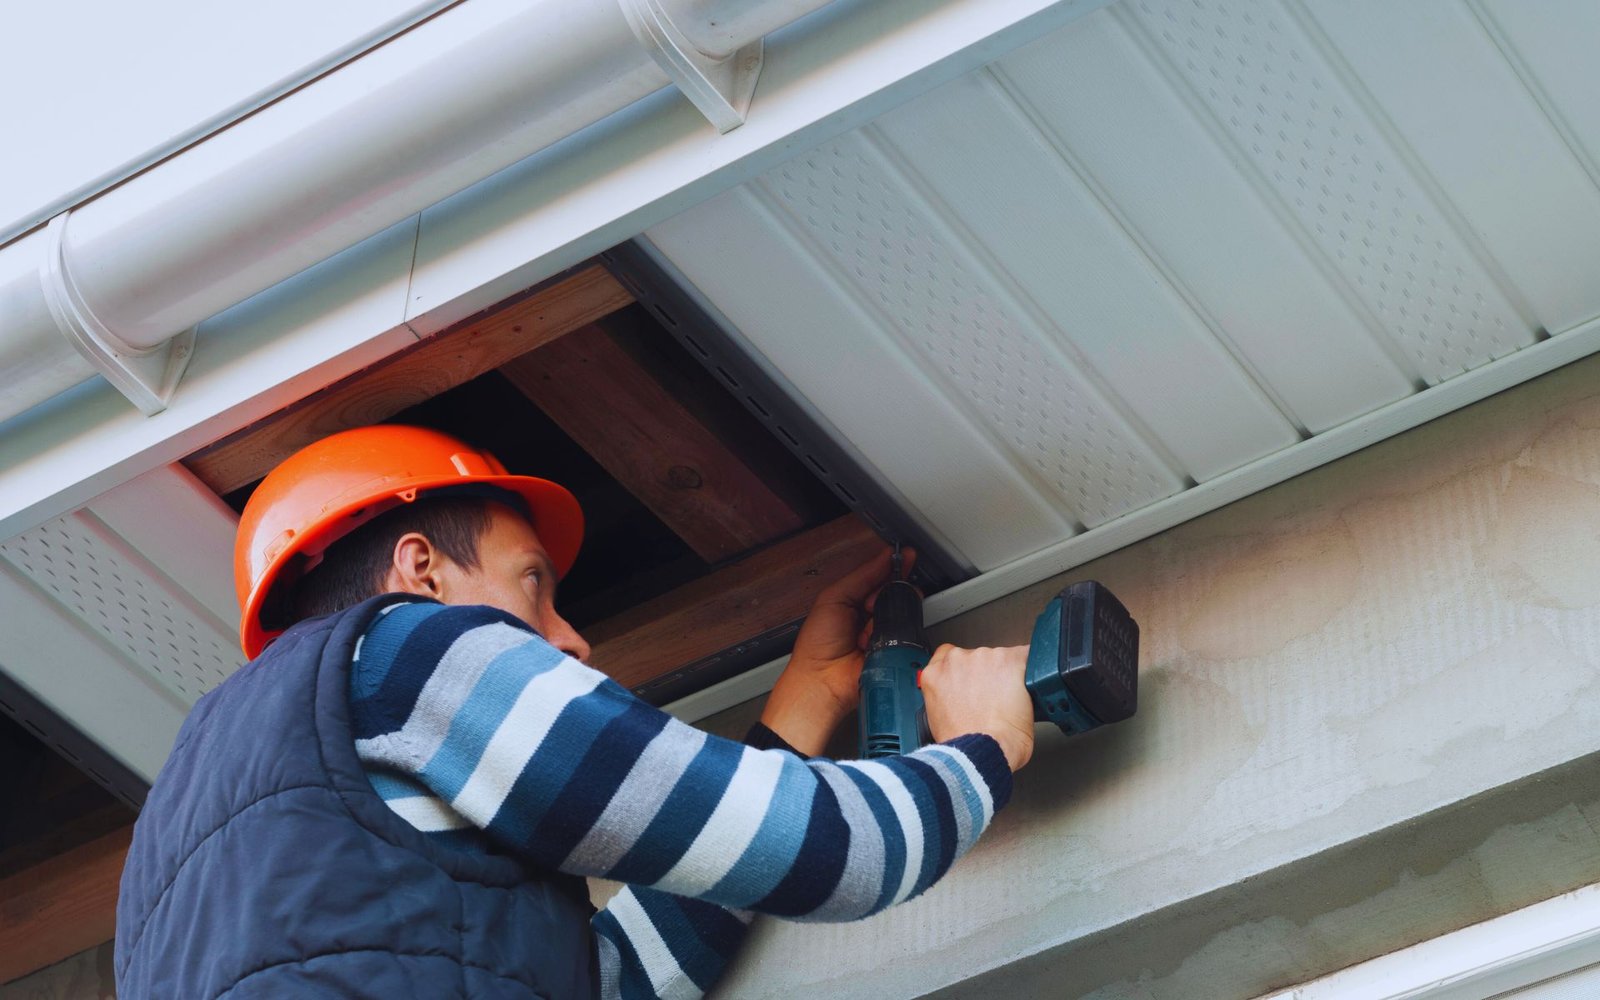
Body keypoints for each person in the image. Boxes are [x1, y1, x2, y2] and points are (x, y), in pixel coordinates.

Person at [115, 424, 1034, 999]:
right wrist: (981, 746)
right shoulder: (407, 650)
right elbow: (838, 861)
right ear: (419, 570)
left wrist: (807, 701)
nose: (571, 639)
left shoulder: (168, 863)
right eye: (533, 585)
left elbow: (608, 982)